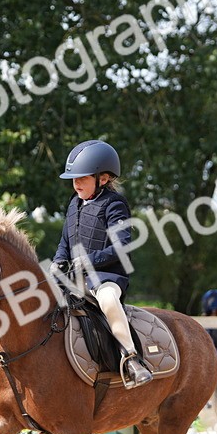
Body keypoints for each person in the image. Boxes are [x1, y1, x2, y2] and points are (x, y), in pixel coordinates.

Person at [51, 139, 152, 388]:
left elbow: (121, 245)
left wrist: (87, 261)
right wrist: (57, 261)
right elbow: (66, 240)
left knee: (107, 301)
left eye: (82, 178)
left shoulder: (114, 204)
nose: (76, 184)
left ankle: (131, 358)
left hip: (106, 277)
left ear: (103, 179)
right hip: (73, 278)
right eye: (73, 179)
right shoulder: (74, 204)